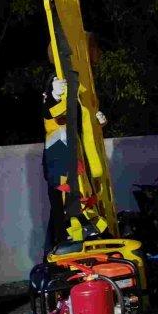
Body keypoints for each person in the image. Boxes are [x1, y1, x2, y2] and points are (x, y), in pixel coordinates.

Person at [42, 34, 108, 253]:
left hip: (78, 156)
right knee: (66, 211)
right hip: (61, 157)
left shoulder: (82, 81)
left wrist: (95, 117)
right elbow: (49, 110)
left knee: (82, 205)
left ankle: (79, 252)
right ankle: (59, 259)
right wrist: (53, 95)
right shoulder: (58, 78)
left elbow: (81, 115)